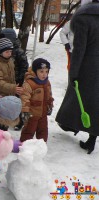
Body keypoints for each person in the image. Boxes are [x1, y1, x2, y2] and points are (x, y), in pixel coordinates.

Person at [55, 0, 99, 154]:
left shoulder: (83, 18)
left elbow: (79, 49)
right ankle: (91, 139)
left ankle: (69, 124)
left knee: (75, 96)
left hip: (87, 68)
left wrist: (73, 73)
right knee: (95, 102)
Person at [0, 37, 24, 131]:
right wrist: (12, 88)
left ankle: (2, 136)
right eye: (7, 52)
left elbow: (11, 77)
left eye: (10, 51)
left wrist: (14, 87)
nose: (9, 54)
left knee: (4, 120)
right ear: (0, 52)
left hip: (7, 96)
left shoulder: (9, 61)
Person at [0, 28, 29, 131]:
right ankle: (6, 120)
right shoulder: (5, 49)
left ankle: (19, 122)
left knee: (16, 102)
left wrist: (19, 80)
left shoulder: (19, 51)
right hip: (7, 81)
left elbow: (24, 67)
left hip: (17, 82)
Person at [19, 58, 54, 142]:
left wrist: (50, 105)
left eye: (46, 71)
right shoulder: (29, 83)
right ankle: (25, 146)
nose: (44, 74)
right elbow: (24, 98)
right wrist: (25, 111)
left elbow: (49, 96)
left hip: (43, 113)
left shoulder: (47, 82)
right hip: (32, 114)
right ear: (35, 71)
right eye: (41, 71)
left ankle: (41, 146)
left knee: (43, 131)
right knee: (29, 130)